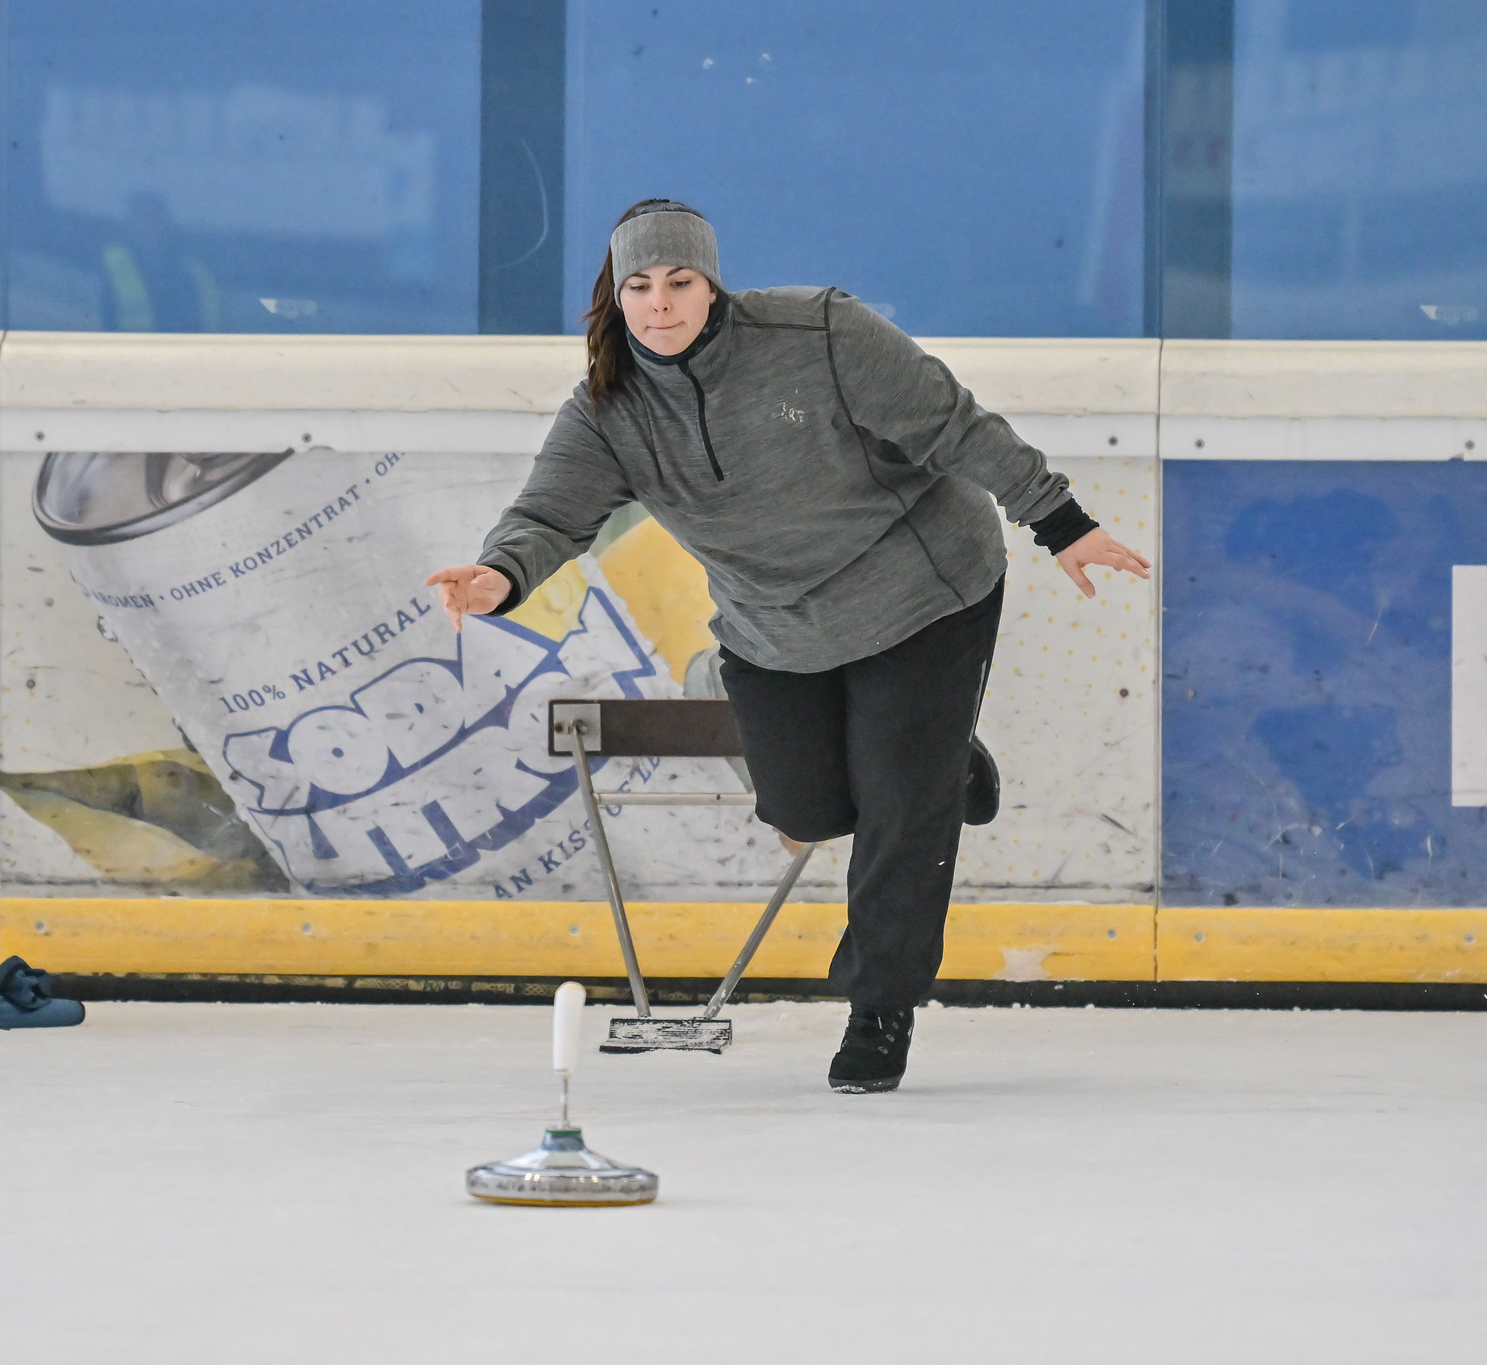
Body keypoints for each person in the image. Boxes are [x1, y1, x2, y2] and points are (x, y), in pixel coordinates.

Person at [427, 199, 1149, 1093]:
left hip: (920, 589)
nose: (661, 305)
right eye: (640, 287)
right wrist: (500, 574)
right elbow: (550, 512)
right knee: (803, 812)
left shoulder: (821, 333)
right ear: (615, 300)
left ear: (711, 281)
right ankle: (948, 766)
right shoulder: (610, 410)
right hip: (775, 624)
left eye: (680, 281)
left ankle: (879, 1010)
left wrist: (1062, 522)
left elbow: (954, 424)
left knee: (898, 807)